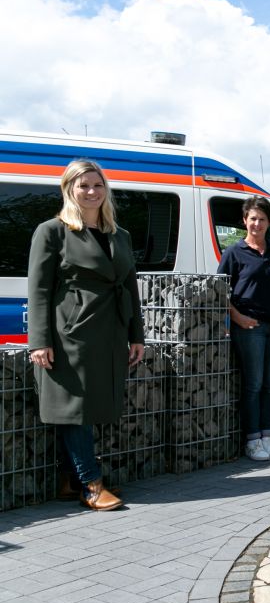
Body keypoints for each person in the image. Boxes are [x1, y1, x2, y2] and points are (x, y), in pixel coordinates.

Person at [27, 159, 145, 510]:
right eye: (83, 186)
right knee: (74, 407)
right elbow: (39, 291)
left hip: (109, 332)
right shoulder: (51, 231)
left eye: (97, 185)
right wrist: (39, 341)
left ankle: (69, 480)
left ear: (105, 189)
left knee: (89, 407)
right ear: (69, 190)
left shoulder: (118, 235)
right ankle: (91, 484)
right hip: (70, 334)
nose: (91, 191)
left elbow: (129, 285)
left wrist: (136, 335)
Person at [218, 197, 270, 461]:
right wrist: (237, 318)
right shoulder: (233, 253)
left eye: (262, 219)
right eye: (252, 218)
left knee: (269, 385)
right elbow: (219, 293)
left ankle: (267, 437)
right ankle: (252, 441)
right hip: (249, 326)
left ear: (269, 223)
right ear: (244, 221)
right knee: (253, 384)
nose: (257, 223)